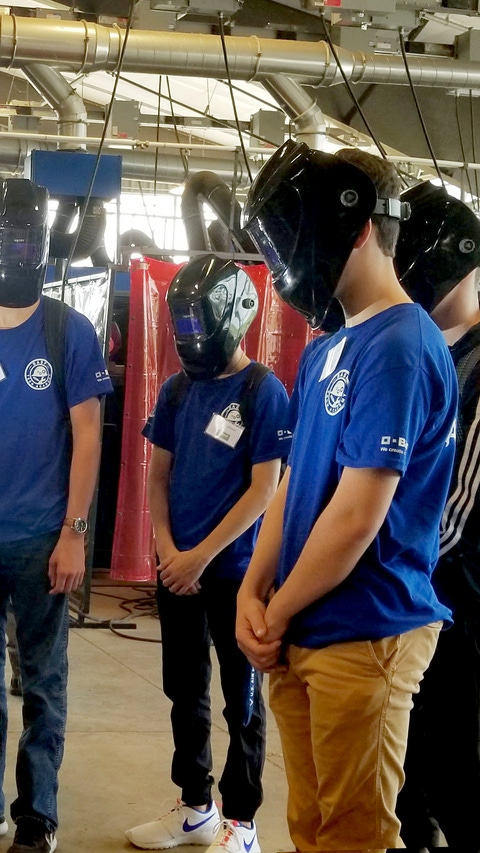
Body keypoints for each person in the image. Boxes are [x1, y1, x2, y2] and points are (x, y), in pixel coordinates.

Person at [235, 140, 459, 852]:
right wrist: (253, 589)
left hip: (366, 628)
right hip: (304, 624)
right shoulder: (328, 346)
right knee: (312, 827)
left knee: (354, 834)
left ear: (357, 227)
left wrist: (276, 610)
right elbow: (296, 483)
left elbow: (360, 514)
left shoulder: (401, 343)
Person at [125, 254, 292, 853]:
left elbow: (265, 489)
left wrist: (200, 555)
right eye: (183, 325)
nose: (191, 337)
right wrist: (169, 551)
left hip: (236, 576)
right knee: (184, 691)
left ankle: (241, 821)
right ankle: (196, 806)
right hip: (178, 572)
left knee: (241, 702)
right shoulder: (176, 390)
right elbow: (158, 477)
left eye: (199, 323)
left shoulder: (262, 391)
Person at [0, 178, 113, 853]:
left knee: (43, 683)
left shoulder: (68, 330)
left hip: (43, 538)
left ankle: (36, 817)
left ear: (42, 245)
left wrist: (75, 532)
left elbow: (89, 436)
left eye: (26, 237)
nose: (16, 248)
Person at [394, 182, 480, 853]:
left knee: (459, 777)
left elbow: (456, 507)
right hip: (422, 596)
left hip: (459, 602)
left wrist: (379, 561)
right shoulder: (438, 351)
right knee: (410, 777)